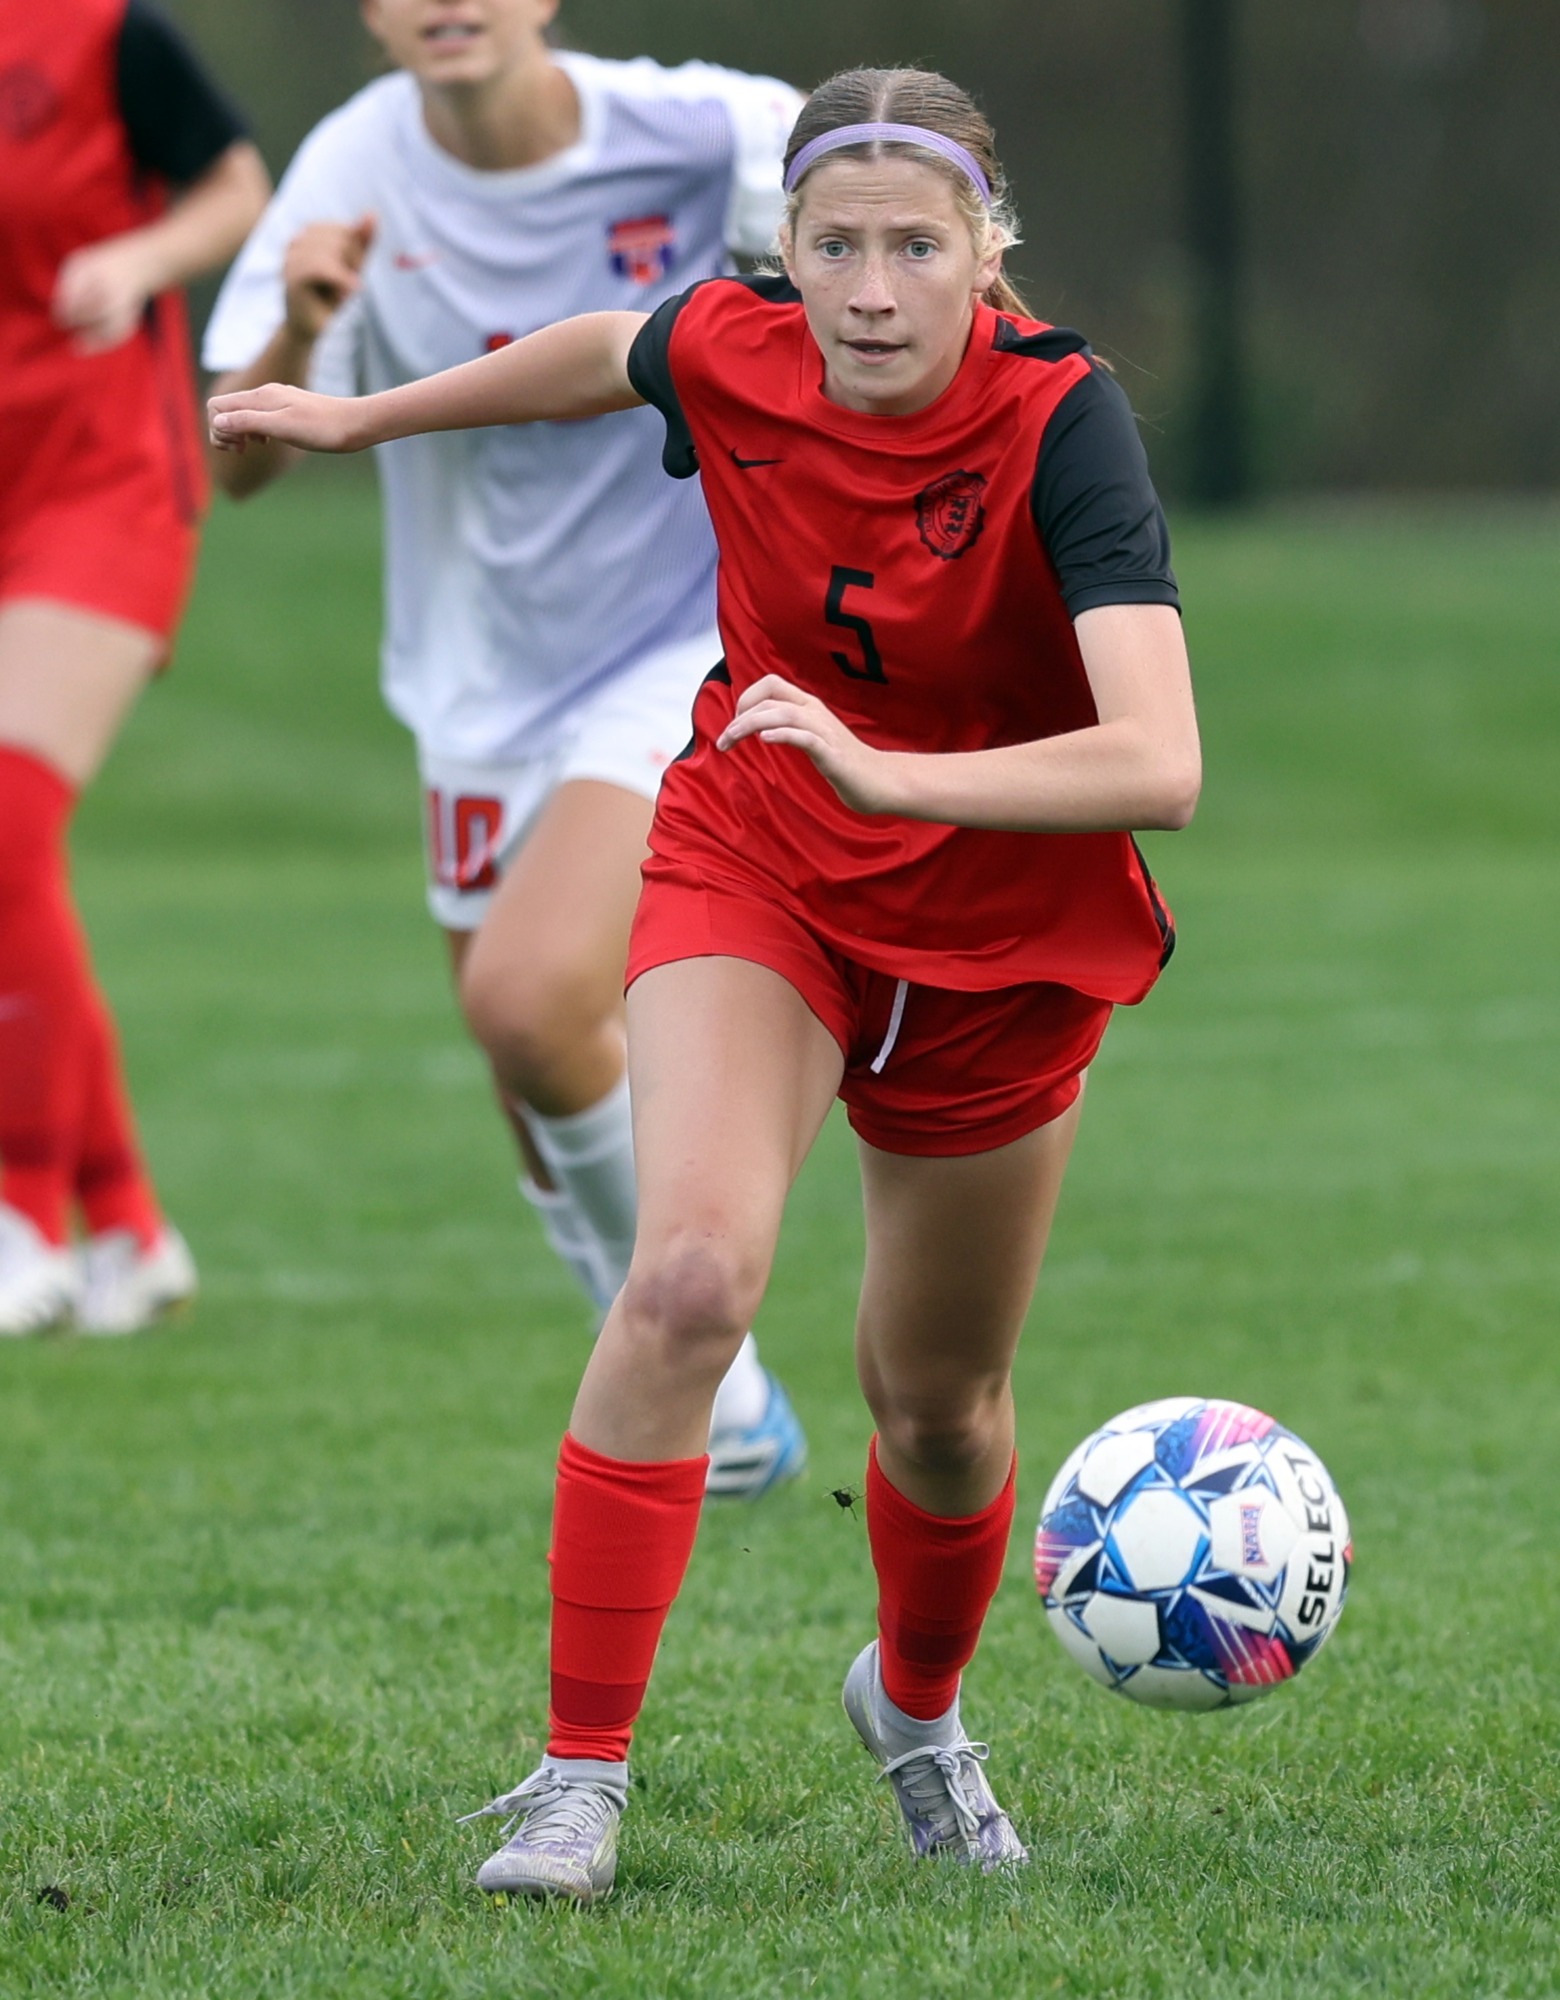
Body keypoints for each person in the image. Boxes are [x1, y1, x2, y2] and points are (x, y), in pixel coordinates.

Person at [210, 63, 1201, 1901]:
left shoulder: (1062, 422)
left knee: (939, 1405)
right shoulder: (736, 347)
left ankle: (918, 1712)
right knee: (683, 1281)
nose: (873, 291)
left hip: (999, 941)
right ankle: (577, 1779)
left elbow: (1163, 761)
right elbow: (603, 350)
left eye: (917, 248)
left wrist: (895, 775)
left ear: (988, 252)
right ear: (787, 251)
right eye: (837, 247)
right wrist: (363, 419)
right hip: (765, 864)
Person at [201, 0, 807, 1499]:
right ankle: (701, 1380)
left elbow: (906, 199)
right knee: (526, 1071)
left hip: (680, 642)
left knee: (530, 998)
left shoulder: (698, 131)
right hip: (478, 682)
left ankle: (708, 1376)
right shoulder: (354, 166)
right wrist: (302, 322)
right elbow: (242, 464)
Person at [0, 0, 269, 1336]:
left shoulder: (103, 31)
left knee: (7, 820)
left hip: (99, 475)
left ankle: (20, 1219)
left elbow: (236, 184)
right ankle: (129, 1225)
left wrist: (137, 254)